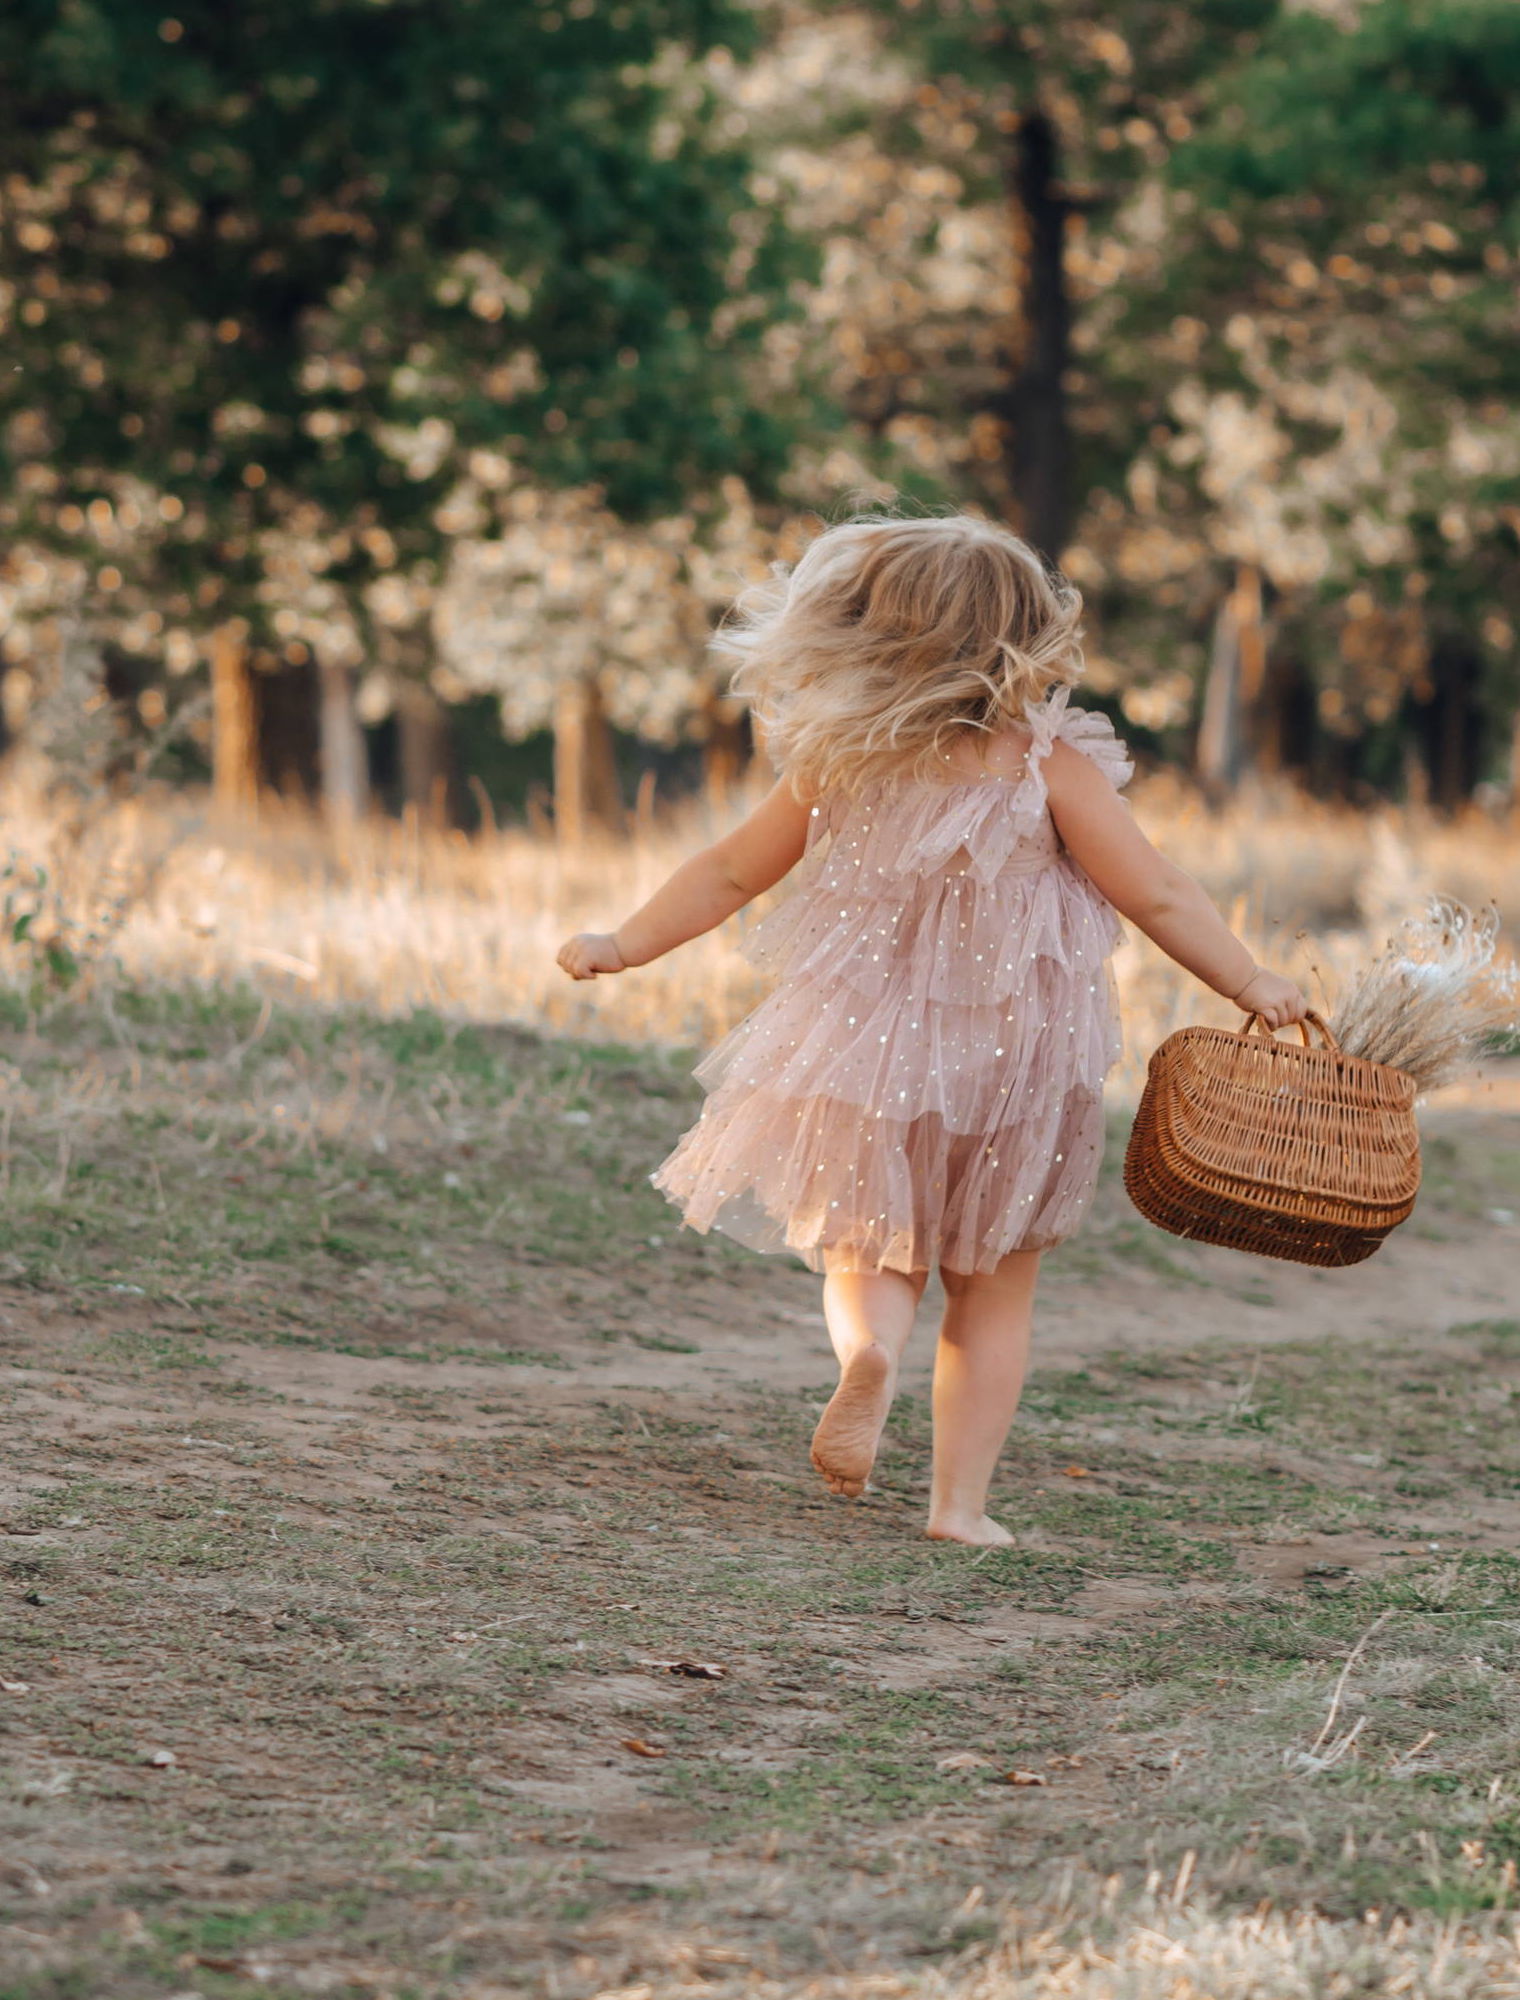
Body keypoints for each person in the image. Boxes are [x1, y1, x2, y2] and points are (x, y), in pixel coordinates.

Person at [555, 516, 1308, 1548]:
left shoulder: (840, 760)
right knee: (993, 1289)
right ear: (1023, 639)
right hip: (1021, 1065)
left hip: (864, 1056)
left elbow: (729, 870)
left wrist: (624, 942)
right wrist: (1249, 977)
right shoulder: (1047, 765)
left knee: (867, 1253)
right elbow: (1160, 895)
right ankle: (957, 1508)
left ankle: (868, 1353)